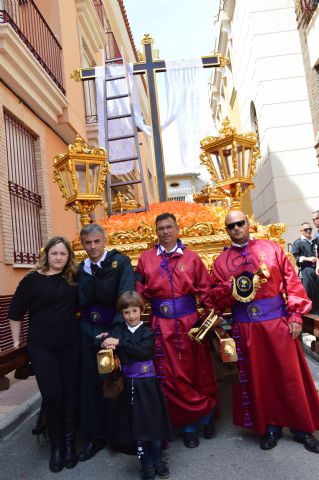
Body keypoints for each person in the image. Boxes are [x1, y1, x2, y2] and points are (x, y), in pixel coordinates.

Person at [211, 210, 319, 452]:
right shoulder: (221, 262)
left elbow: (291, 281)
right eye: (231, 226)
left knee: (289, 376)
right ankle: (269, 426)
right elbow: (215, 297)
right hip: (245, 328)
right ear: (226, 231)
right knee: (259, 378)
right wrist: (228, 288)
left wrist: (295, 315)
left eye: (240, 223)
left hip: (278, 322)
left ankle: (302, 428)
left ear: (248, 224)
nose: (237, 228)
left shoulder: (271, 249)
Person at [136, 212, 218, 449]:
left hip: (190, 323)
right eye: (160, 228)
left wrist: (211, 318)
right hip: (160, 324)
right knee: (170, 376)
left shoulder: (192, 258)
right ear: (156, 231)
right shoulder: (146, 259)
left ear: (177, 229)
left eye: (169, 227)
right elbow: (138, 292)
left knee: (197, 371)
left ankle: (206, 414)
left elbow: (205, 291)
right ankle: (187, 425)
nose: (165, 231)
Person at [9, 237, 80, 473]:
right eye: (54, 253)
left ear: (68, 256)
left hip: (70, 344)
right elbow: (15, 312)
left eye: (63, 254)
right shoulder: (32, 281)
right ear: (46, 255)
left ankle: (70, 443)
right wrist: (18, 343)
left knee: (70, 392)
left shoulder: (73, 279)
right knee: (51, 394)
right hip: (42, 347)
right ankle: (56, 445)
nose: (59, 257)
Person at [77, 223, 135, 461]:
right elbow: (78, 300)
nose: (92, 247)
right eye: (87, 243)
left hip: (112, 330)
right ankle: (94, 436)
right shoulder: (81, 268)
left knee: (113, 382)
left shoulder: (119, 262)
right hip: (87, 331)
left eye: (96, 241)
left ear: (104, 240)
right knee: (89, 384)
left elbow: (126, 294)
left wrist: (114, 333)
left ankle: (118, 436)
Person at [100, 291, 172, 480]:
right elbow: (109, 344)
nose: (131, 316)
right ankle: (145, 463)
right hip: (129, 386)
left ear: (142, 310)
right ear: (121, 314)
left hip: (148, 385)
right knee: (137, 426)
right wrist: (105, 340)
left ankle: (157, 459)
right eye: (126, 312)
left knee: (153, 423)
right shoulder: (118, 331)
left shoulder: (147, 332)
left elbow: (143, 352)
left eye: (134, 311)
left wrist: (120, 344)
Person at [291, 222, 319, 313]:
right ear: (301, 231)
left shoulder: (315, 241)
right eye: (306, 229)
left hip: (317, 269)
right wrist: (309, 259)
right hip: (306, 271)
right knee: (311, 293)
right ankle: (313, 314)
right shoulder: (297, 243)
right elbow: (295, 258)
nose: (308, 231)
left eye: (310, 229)